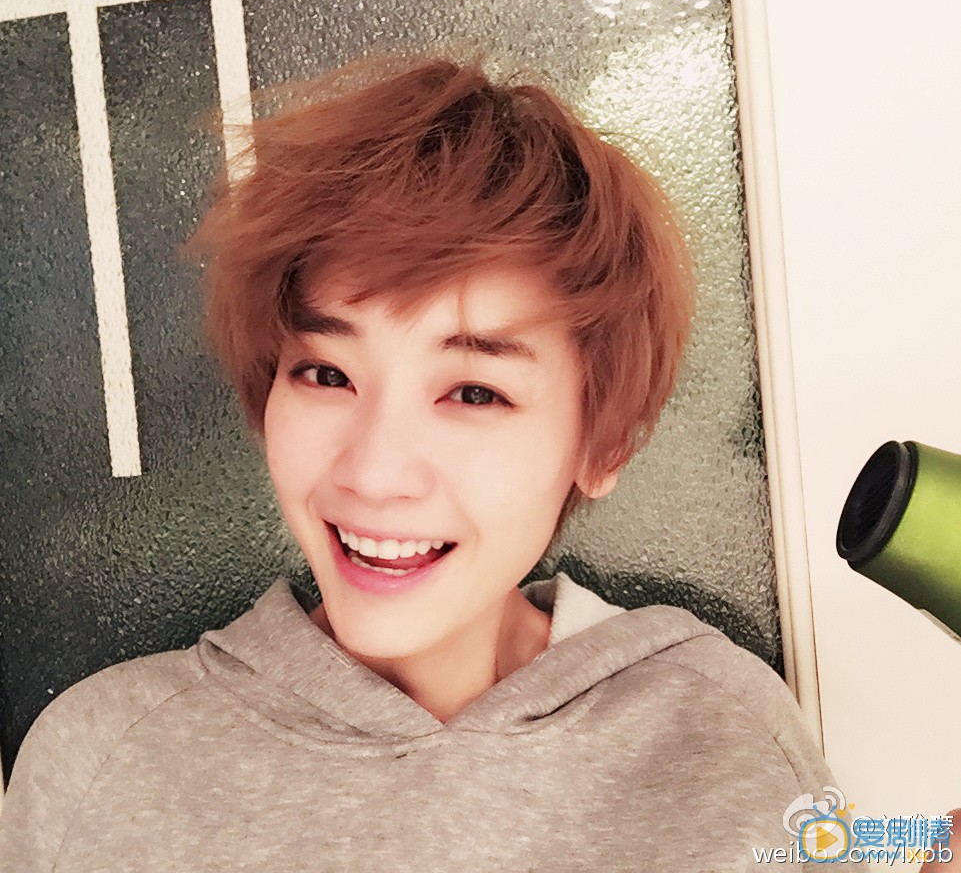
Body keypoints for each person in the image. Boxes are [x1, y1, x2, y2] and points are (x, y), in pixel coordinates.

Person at [0, 51, 878, 870]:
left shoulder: (719, 734)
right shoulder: (102, 764)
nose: (374, 473)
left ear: (601, 442)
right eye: (326, 373)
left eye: (473, 393)